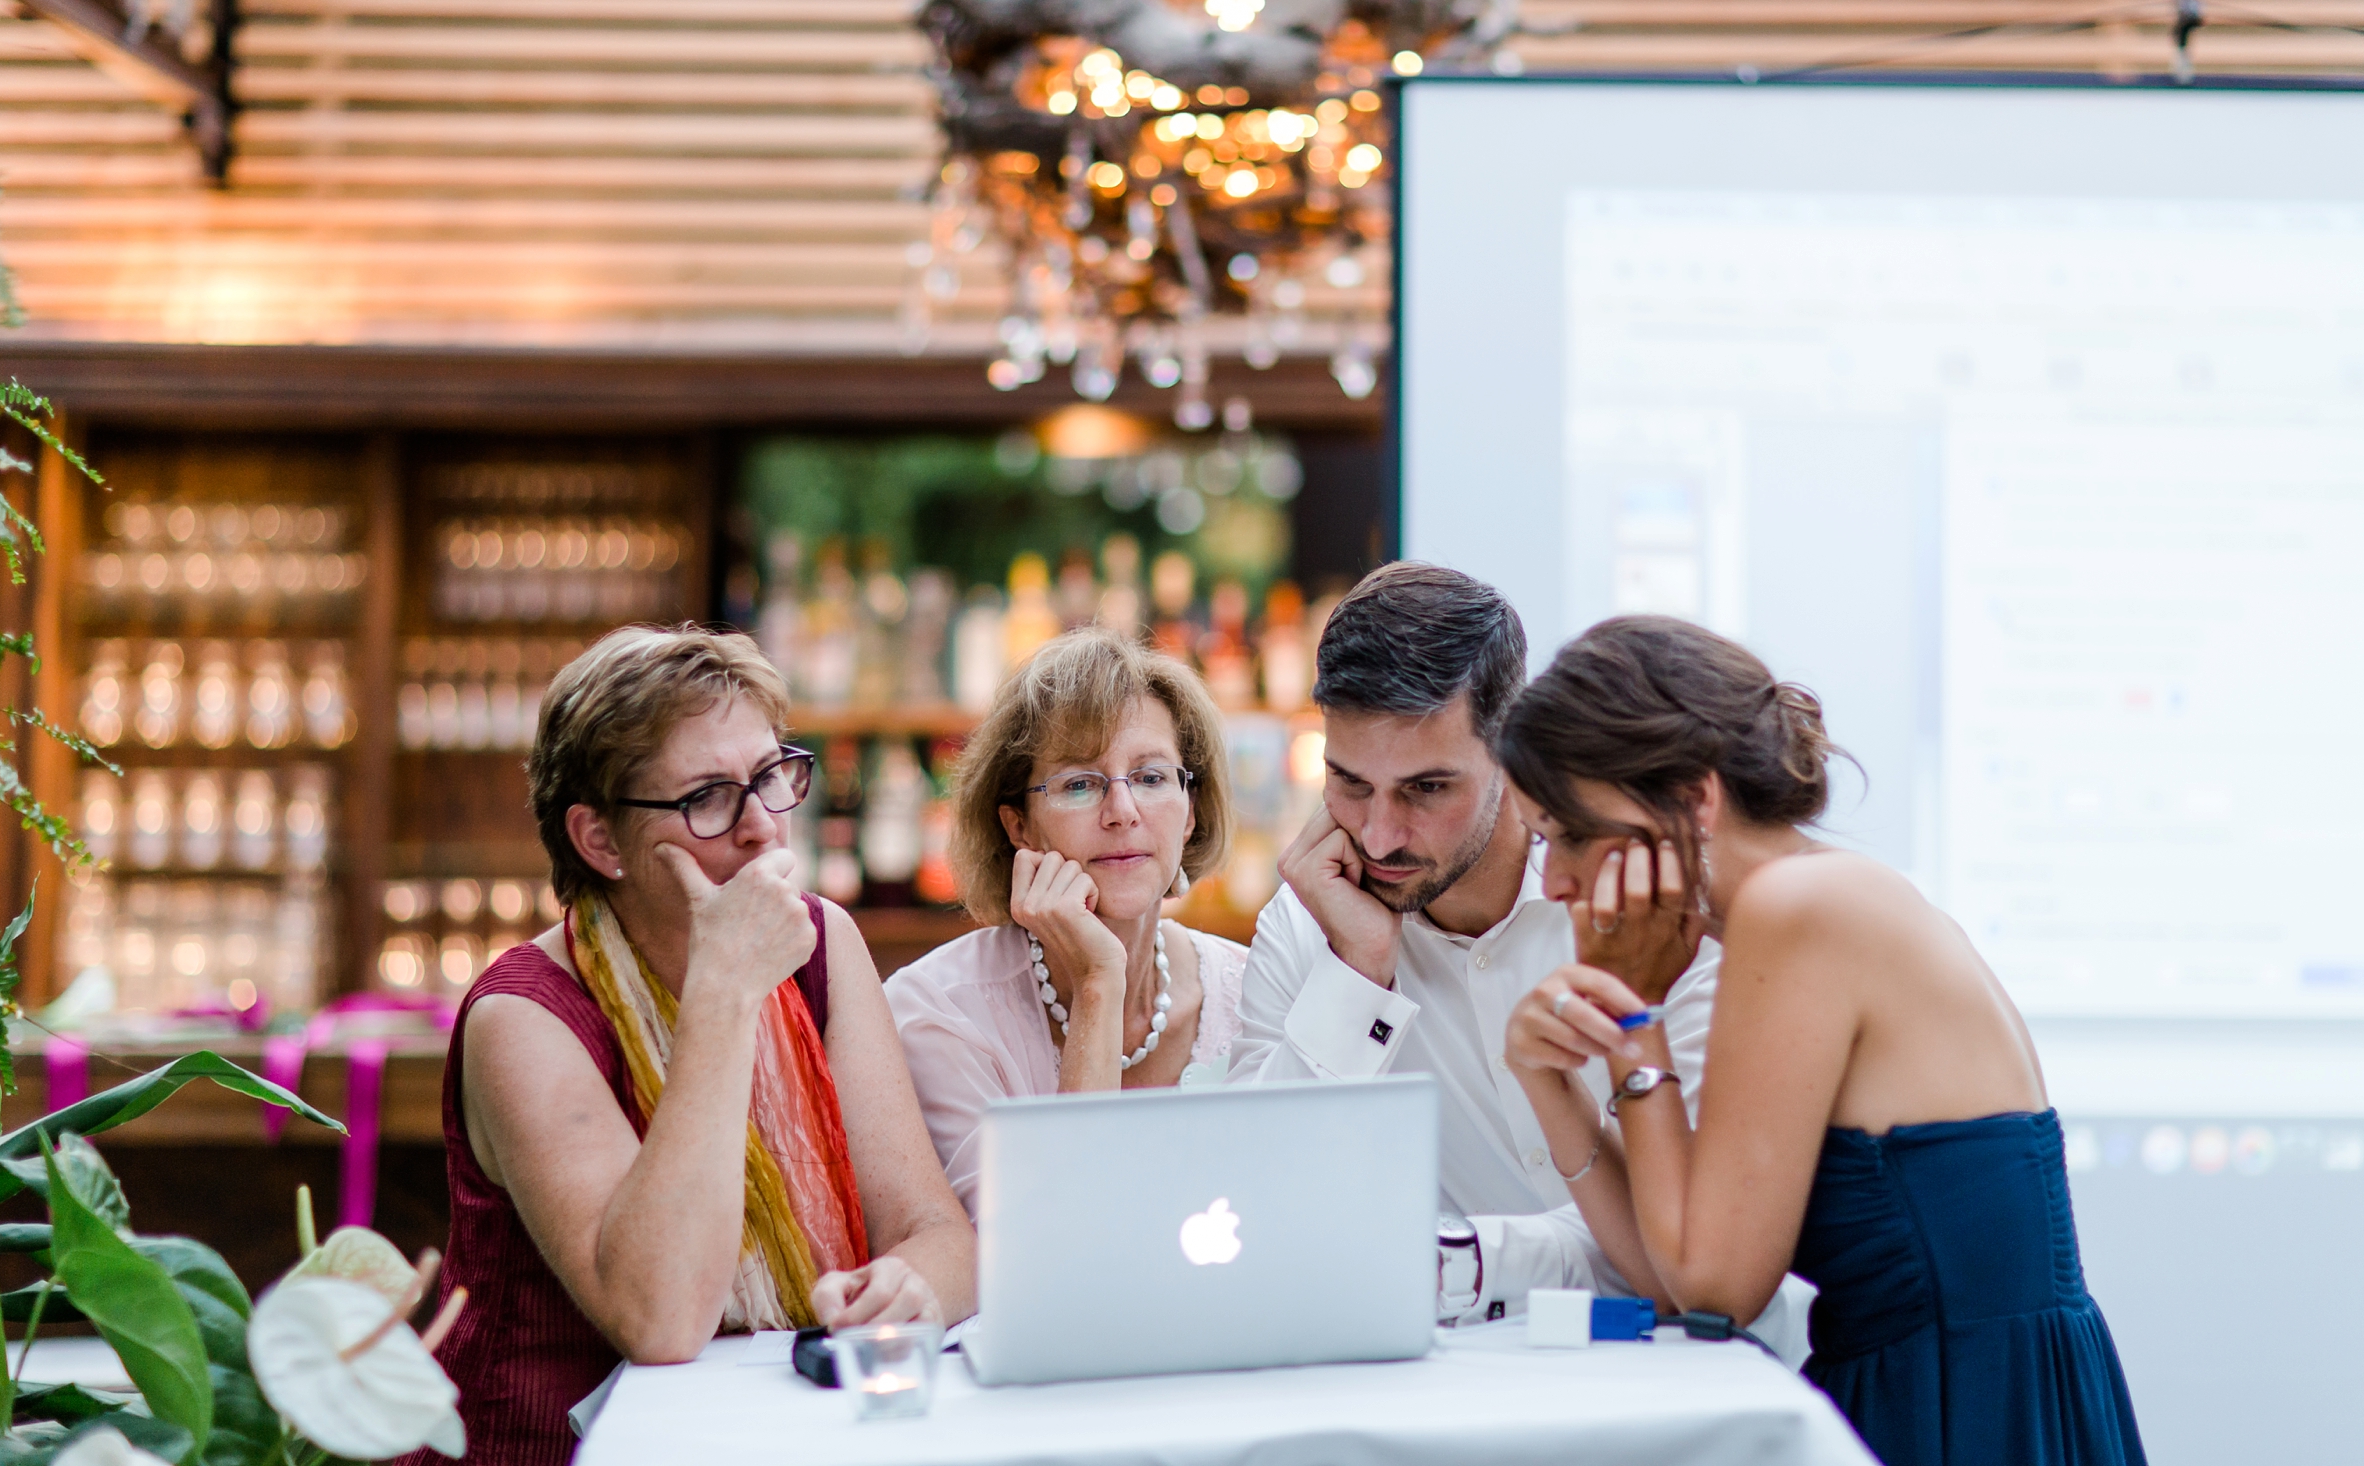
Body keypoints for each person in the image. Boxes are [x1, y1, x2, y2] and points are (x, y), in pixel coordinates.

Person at [1497, 615, 2144, 1466]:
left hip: (1961, 1405)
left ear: (1696, 798)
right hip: (1956, 1385)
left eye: (1572, 833)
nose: (1555, 881)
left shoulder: (1800, 908)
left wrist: (1635, 1018)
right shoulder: (1817, 902)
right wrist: (1550, 1083)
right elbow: (1667, 1273)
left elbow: (1715, 1288)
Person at [421, 626, 975, 1466]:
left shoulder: (824, 943)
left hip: (777, 1438)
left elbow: (941, 1235)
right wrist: (723, 995)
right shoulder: (523, 1017)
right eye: (709, 797)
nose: (762, 827)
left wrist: (911, 1287)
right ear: (600, 840)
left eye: (770, 777)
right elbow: (663, 1317)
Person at [1225, 563, 1767, 1333]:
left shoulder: (1653, 910)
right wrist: (1356, 974)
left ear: (1511, 753)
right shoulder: (1310, 924)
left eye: (1426, 789)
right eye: (1348, 783)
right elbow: (1250, 1204)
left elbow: (1684, 1244)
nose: (1378, 835)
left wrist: (1457, 1257)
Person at [886, 628, 1248, 1219]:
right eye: (1080, 784)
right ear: (1018, 827)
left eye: (1153, 778)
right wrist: (1098, 986)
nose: (1123, 812)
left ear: (1191, 812)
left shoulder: (1251, 992)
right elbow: (1053, 1245)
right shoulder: (937, 1015)